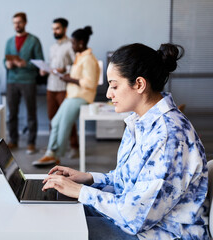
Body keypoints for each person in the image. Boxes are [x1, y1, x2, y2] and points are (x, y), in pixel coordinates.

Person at [41, 43, 209, 239]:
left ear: (139, 84)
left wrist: (80, 191)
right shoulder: (140, 122)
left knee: (61, 231)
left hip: (160, 233)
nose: (108, 94)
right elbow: (127, 182)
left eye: (114, 86)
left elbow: (136, 216)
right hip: (136, 222)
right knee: (57, 212)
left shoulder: (169, 135)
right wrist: (88, 178)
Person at [33, 26, 99, 166]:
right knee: (56, 121)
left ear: (81, 43)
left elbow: (91, 83)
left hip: (81, 96)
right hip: (73, 95)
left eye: (73, 43)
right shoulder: (80, 57)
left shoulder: (88, 59)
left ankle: (54, 154)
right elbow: (79, 76)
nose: (72, 46)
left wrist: (70, 79)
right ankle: (51, 154)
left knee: (64, 124)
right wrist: (68, 77)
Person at [4, 12, 44, 155]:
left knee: (31, 113)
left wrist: (24, 64)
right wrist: (7, 64)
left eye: (19, 22)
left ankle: (31, 143)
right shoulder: (9, 42)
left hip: (28, 81)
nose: (17, 25)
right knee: (11, 113)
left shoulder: (34, 41)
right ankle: (13, 140)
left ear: (25, 23)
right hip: (12, 81)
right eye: (14, 22)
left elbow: (40, 63)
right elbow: (5, 60)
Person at [43, 18, 78, 159]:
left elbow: (77, 65)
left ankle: (74, 146)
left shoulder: (71, 45)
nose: (54, 31)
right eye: (53, 29)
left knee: (67, 118)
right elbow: (52, 66)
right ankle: (53, 148)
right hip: (51, 86)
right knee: (52, 118)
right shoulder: (53, 47)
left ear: (64, 29)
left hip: (65, 87)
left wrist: (64, 69)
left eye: (57, 28)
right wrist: (44, 69)